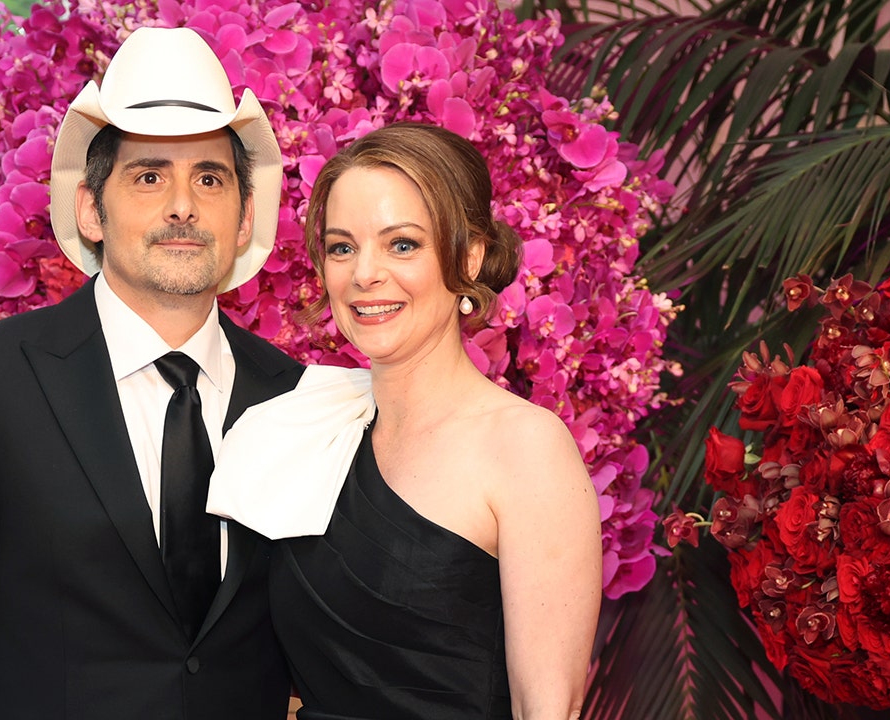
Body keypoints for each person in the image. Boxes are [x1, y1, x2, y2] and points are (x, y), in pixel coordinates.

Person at [0, 27, 303, 719]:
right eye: (149, 176)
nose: (183, 205)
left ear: (245, 217)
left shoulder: (291, 396)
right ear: (91, 211)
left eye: (210, 179)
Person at [209, 122, 603, 719]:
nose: (364, 274)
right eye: (342, 247)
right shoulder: (306, 431)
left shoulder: (525, 447)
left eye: (402, 245)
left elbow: (549, 710)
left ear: (468, 256)